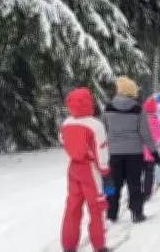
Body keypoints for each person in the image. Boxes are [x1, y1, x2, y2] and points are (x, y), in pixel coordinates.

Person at [102, 76, 160, 223]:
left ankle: (111, 213)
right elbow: (145, 134)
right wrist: (154, 152)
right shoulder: (138, 109)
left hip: (114, 153)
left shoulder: (108, 108)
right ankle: (137, 213)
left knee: (113, 185)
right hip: (135, 154)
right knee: (134, 183)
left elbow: (103, 131)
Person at [59, 87, 113, 252]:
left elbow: (63, 141)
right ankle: (99, 245)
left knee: (73, 207)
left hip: (73, 167)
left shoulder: (66, 123)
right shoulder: (95, 125)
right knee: (96, 207)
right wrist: (105, 172)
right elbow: (101, 150)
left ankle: (68, 245)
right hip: (90, 169)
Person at [141, 95, 160, 200]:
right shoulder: (157, 121)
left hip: (140, 151)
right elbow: (159, 135)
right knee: (149, 173)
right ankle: (147, 192)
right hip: (151, 151)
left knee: (140, 172)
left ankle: (139, 189)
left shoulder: (141, 120)